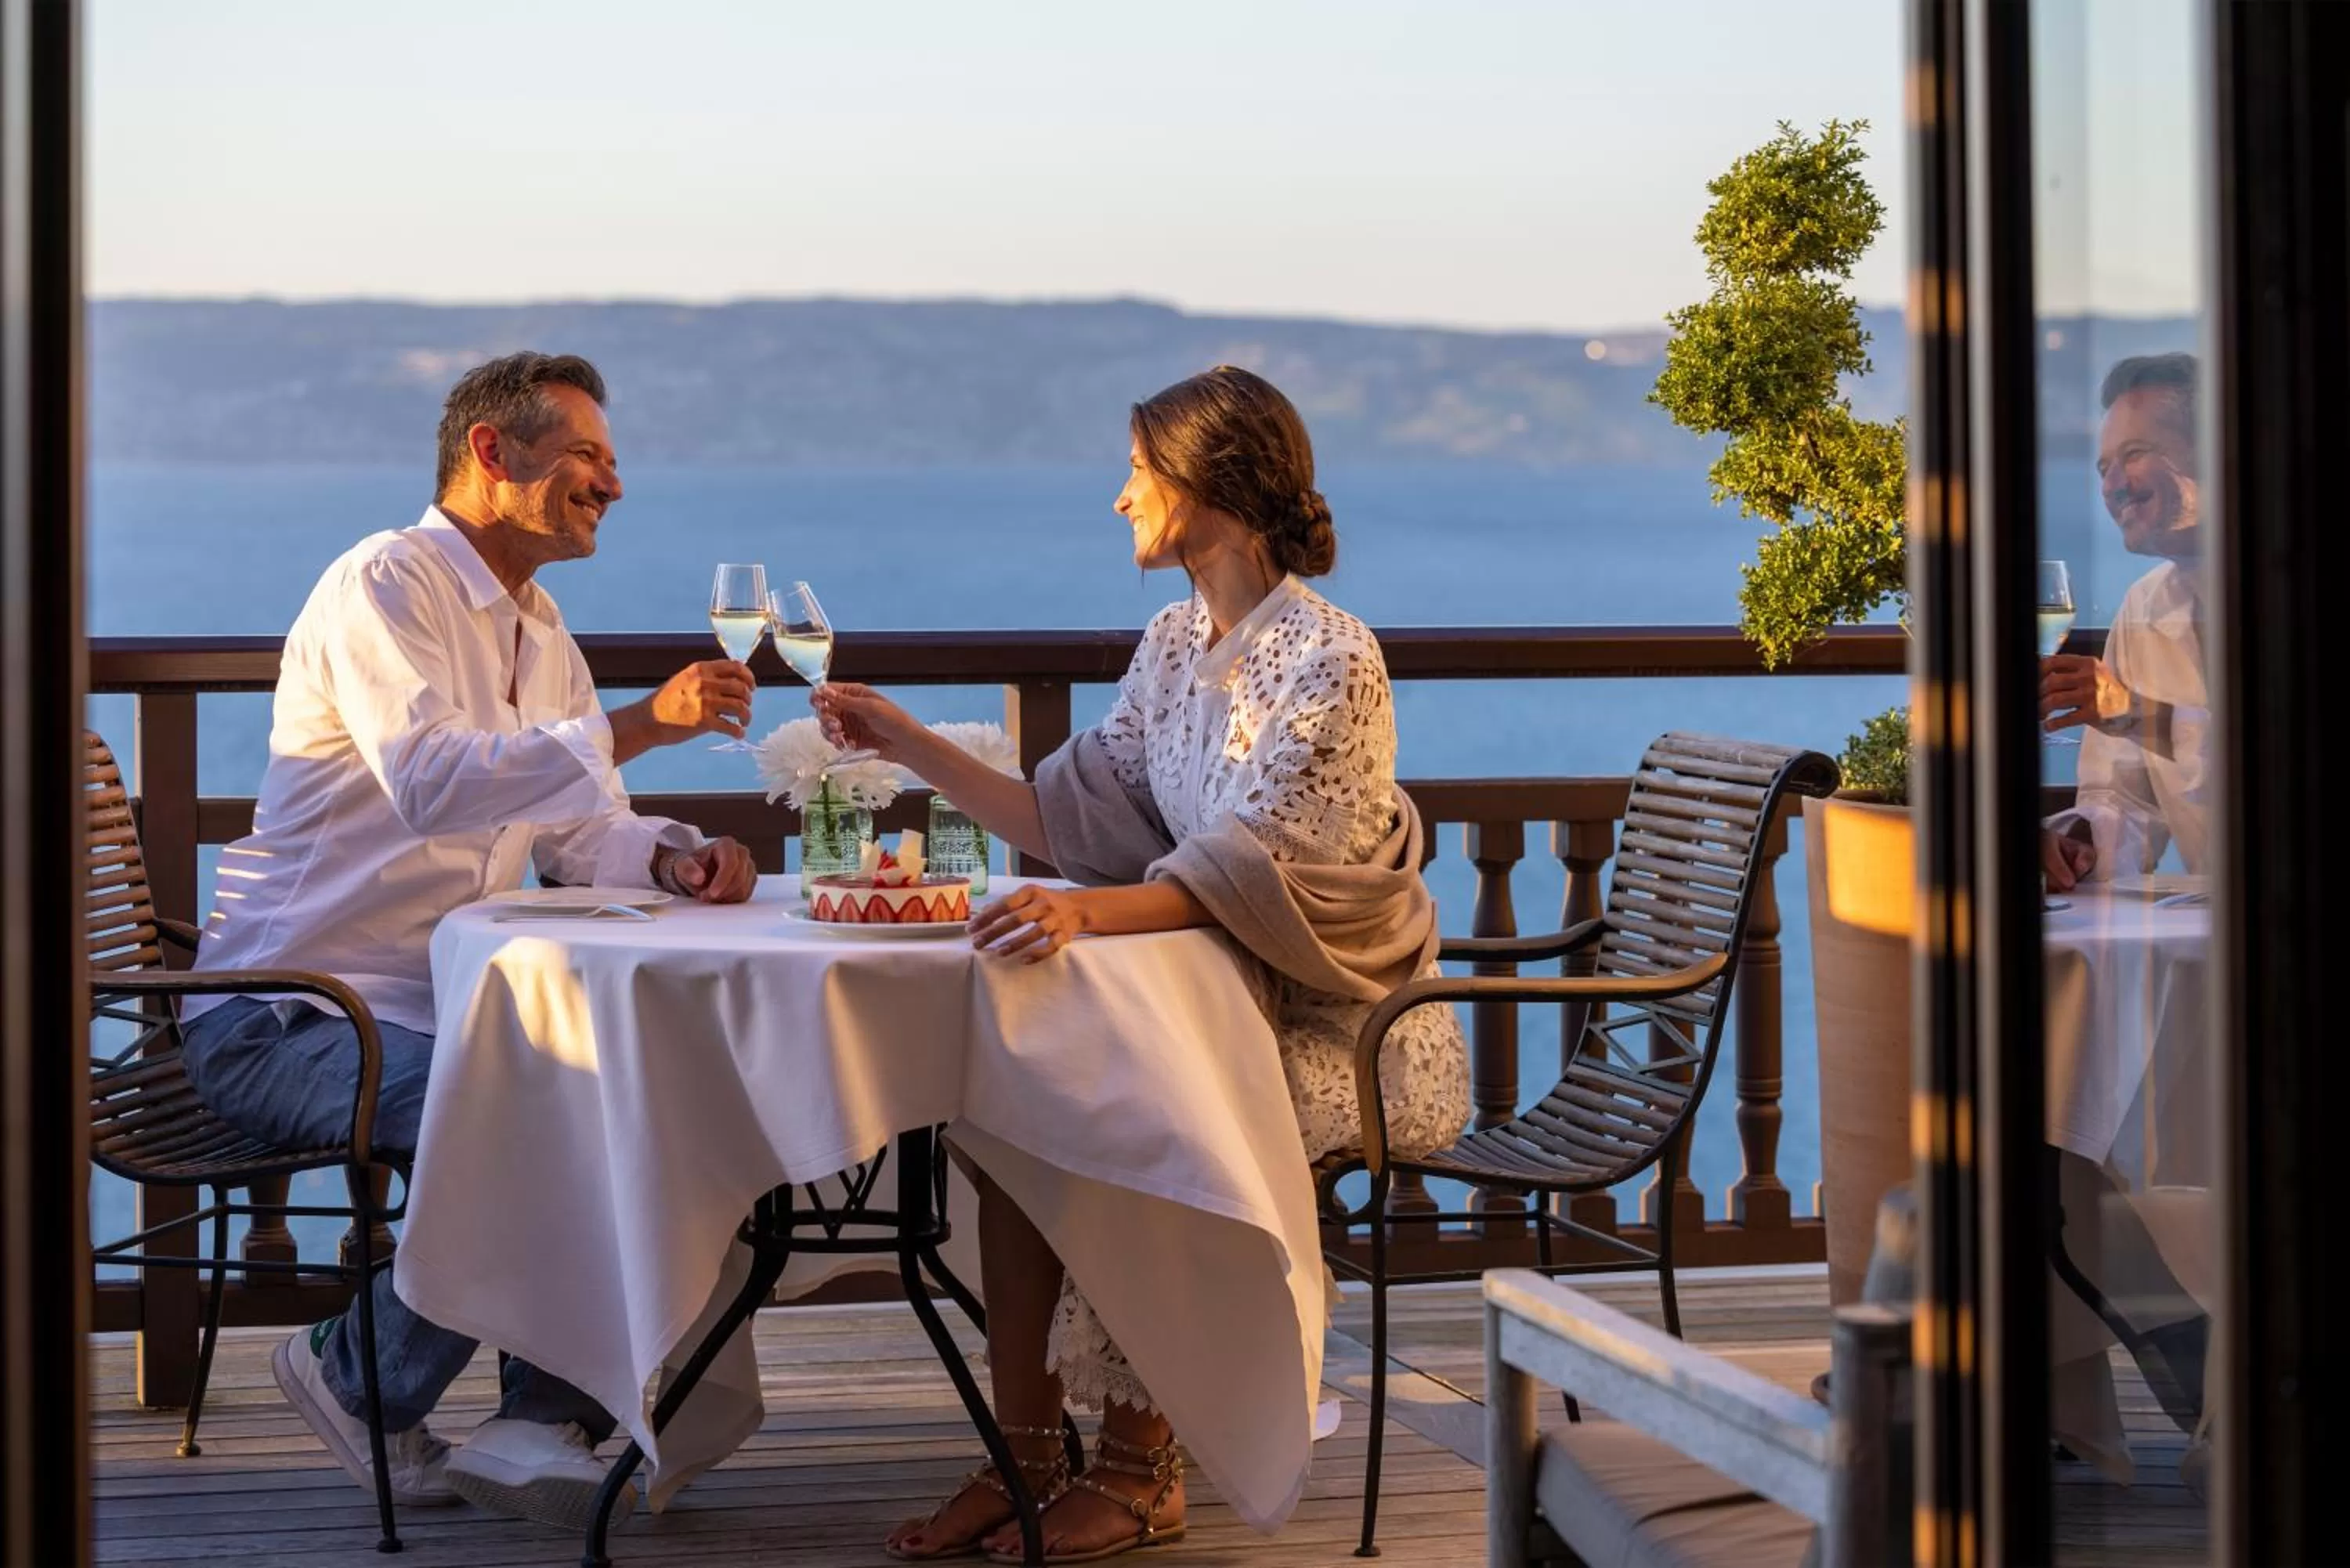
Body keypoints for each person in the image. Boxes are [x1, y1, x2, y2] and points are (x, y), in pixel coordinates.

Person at [815, 366, 1470, 1562]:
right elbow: (1066, 817)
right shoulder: (1174, 642)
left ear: (1211, 481)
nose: (1121, 499)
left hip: (1349, 1027)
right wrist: (905, 740)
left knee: (1149, 1106)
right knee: (1007, 1105)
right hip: (1214, 1000)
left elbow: (1254, 875)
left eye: (1138, 471)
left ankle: (1139, 1468)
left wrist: (1086, 921)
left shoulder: (1334, 659)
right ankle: (1022, 1448)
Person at [181, 352, 759, 1528]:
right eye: (589, 455)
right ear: (494, 454)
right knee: (533, 1104)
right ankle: (360, 1371)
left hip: (435, 1008)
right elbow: (436, 784)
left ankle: (536, 1418)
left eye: (609, 456)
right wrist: (644, 722)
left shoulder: (540, 632)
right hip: (288, 1012)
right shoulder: (382, 586)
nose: (614, 481)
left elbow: (574, 828)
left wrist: (670, 858)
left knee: (622, 1092)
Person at [2040, 352, 2210, 891]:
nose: (2113, 485)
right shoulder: (2143, 606)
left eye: (2134, 454)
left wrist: (2137, 714)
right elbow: (2124, 799)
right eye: (2103, 466)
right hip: (2229, 942)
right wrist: (2079, 843)